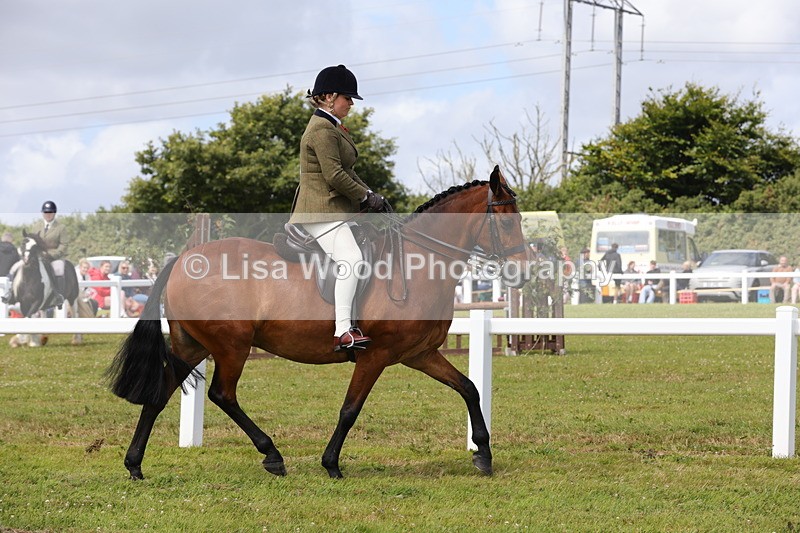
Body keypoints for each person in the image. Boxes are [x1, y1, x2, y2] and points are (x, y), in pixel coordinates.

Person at [288, 64, 388, 352]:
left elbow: (348, 171)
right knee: (352, 259)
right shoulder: (321, 129)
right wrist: (364, 197)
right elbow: (334, 175)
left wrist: (371, 195)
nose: (352, 104)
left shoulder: (332, 126)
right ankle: (343, 330)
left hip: (334, 209)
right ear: (330, 96)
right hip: (320, 210)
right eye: (348, 98)